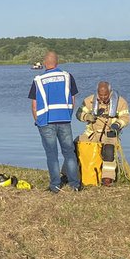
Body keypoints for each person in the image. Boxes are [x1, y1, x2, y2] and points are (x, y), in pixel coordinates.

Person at [29, 51, 82, 193]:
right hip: (64, 119)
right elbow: (73, 99)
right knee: (69, 153)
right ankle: (75, 184)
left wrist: (37, 121)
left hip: (45, 121)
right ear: (57, 62)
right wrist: (68, 115)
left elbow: (34, 105)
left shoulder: (38, 80)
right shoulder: (67, 76)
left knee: (52, 154)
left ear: (44, 63)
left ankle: (55, 186)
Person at [76, 81, 130, 185]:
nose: (103, 97)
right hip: (92, 132)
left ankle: (107, 179)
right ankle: (68, 173)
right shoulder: (89, 100)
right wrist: (87, 116)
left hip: (110, 133)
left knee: (109, 150)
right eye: (100, 95)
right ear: (97, 92)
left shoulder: (120, 102)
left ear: (110, 92)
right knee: (75, 146)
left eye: (105, 95)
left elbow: (126, 118)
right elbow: (78, 113)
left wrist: (117, 125)